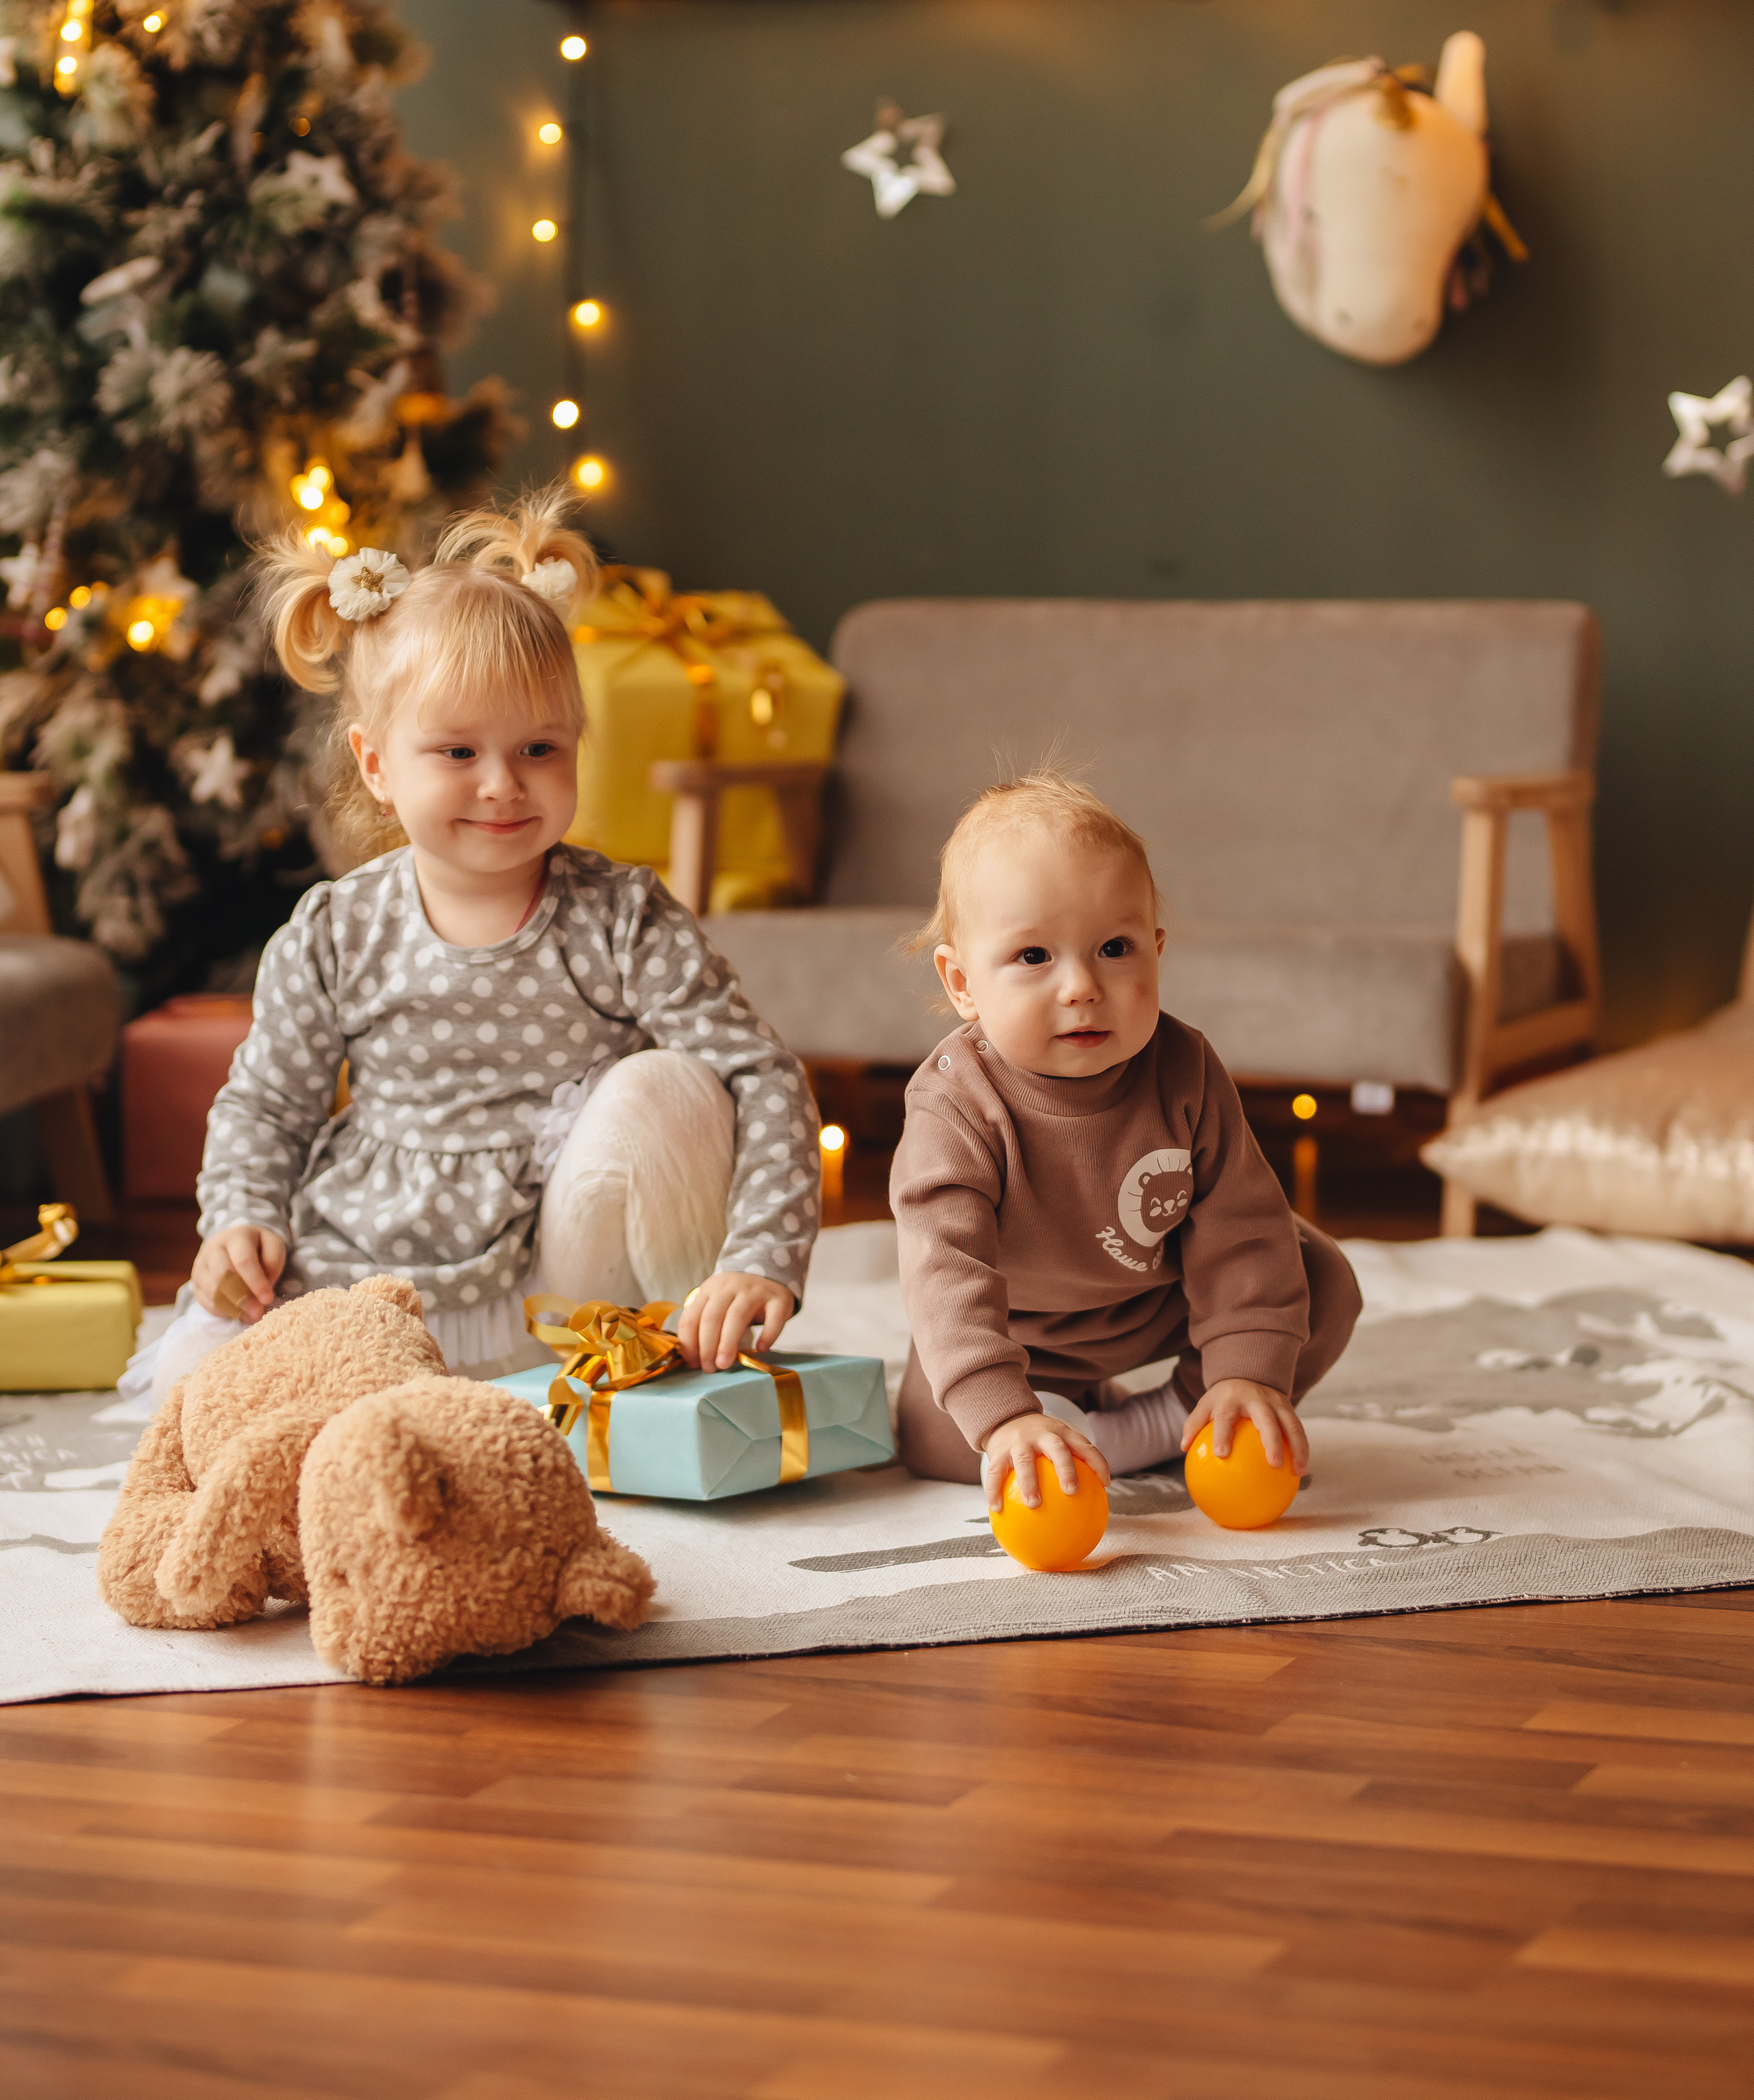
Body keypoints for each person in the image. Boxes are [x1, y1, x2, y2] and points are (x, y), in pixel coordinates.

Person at [122, 491, 818, 1409]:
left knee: (675, 1086)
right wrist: (239, 1220)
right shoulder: (337, 929)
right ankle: (399, 1404)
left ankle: (639, 1365)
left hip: (559, 1282)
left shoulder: (621, 915)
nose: (502, 785)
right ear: (376, 764)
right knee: (213, 1393)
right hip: (372, 1276)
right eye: (456, 753)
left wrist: (761, 1258)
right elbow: (265, 1105)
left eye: (539, 747)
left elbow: (762, 1075)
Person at [889, 770, 1361, 1511]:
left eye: (1114, 947)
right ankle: (1055, 1424)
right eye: (1034, 957)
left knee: (1317, 1278)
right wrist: (1004, 1416)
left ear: (1157, 948)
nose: (1081, 986)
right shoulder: (955, 1106)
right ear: (962, 983)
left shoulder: (1185, 1070)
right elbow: (944, 1272)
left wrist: (1243, 1369)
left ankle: (1179, 1417)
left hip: (1155, 1303)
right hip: (1021, 1330)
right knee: (935, 1437)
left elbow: (1240, 1228)